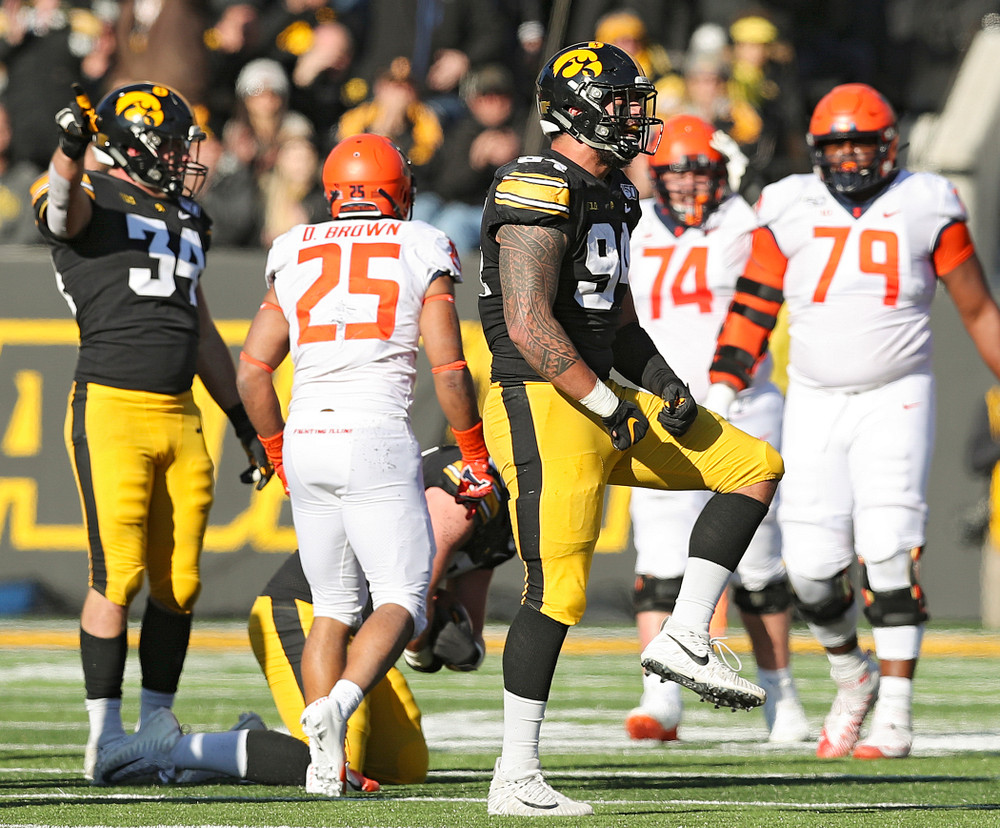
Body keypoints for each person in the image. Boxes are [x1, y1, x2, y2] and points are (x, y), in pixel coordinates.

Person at [478, 42, 784, 817]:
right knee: (557, 590)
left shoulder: (616, 193)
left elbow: (616, 323)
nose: (634, 115)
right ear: (579, 109)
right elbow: (528, 322)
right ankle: (515, 774)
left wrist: (661, 385)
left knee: (751, 463)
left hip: (601, 390)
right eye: (619, 100)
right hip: (544, 398)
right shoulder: (537, 184)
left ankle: (685, 633)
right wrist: (610, 406)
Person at [707, 83, 1000, 760]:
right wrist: (724, 382)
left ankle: (895, 712)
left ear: (888, 144)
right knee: (810, 571)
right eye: (834, 145)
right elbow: (753, 303)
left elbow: (979, 309)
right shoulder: (789, 204)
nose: (846, 158)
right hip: (813, 399)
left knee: (890, 554)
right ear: (815, 150)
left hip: (897, 394)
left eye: (857, 144)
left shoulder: (927, 203)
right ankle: (852, 675)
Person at [235, 132, 494, 797]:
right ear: (398, 190)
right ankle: (337, 708)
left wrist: (273, 453)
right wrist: (472, 454)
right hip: (374, 432)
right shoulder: (421, 243)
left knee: (331, 604)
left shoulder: (293, 246)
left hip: (306, 434)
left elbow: (253, 373)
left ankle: (329, 766)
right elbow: (450, 368)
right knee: (403, 599)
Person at [30, 81, 270, 785]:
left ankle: (155, 722)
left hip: (181, 412)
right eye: (170, 142)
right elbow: (61, 212)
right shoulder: (91, 191)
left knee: (180, 581)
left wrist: (243, 421)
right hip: (113, 405)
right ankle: (105, 736)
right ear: (132, 143)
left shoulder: (188, 212)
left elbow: (199, 329)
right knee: (118, 575)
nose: (183, 156)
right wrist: (71, 149)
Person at [87, 443, 515, 791]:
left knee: (405, 764)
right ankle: (169, 746)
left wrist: (464, 649)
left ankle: (243, 742)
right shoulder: (469, 490)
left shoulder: (498, 517)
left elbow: (463, 630)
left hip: (362, 636)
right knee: (329, 765)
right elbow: (411, 610)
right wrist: (430, 647)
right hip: (307, 611)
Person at [625, 114, 809, 745]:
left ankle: (781, 695)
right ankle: (661, 696)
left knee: (758, 564)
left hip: (742, 400)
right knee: (658, 561)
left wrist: (727, 384)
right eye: (673, 171)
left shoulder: (748, 224)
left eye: (697, 170)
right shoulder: (633, 225)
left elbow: (760, 303)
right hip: (660, 410)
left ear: (721, 171)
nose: (684, 184)